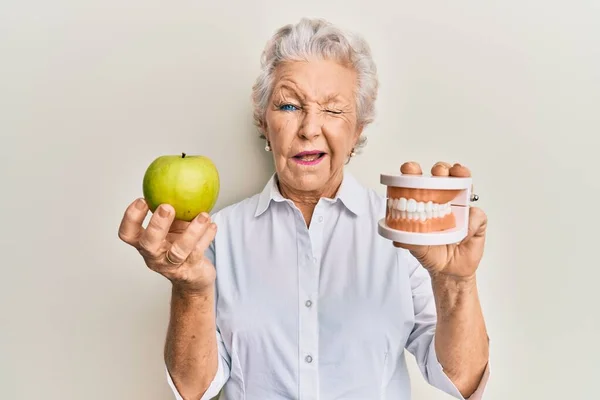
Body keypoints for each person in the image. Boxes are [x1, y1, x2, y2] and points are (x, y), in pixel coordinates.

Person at [118, 17, 490, 400]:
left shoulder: (408, 235)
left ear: (358, 129)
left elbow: (459, 380)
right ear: (264, 122)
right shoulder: (215, 235)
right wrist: (190, 290)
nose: (310, 128)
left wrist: (456, 284)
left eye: (332, 110)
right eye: (290, 105)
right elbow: (193, 389)